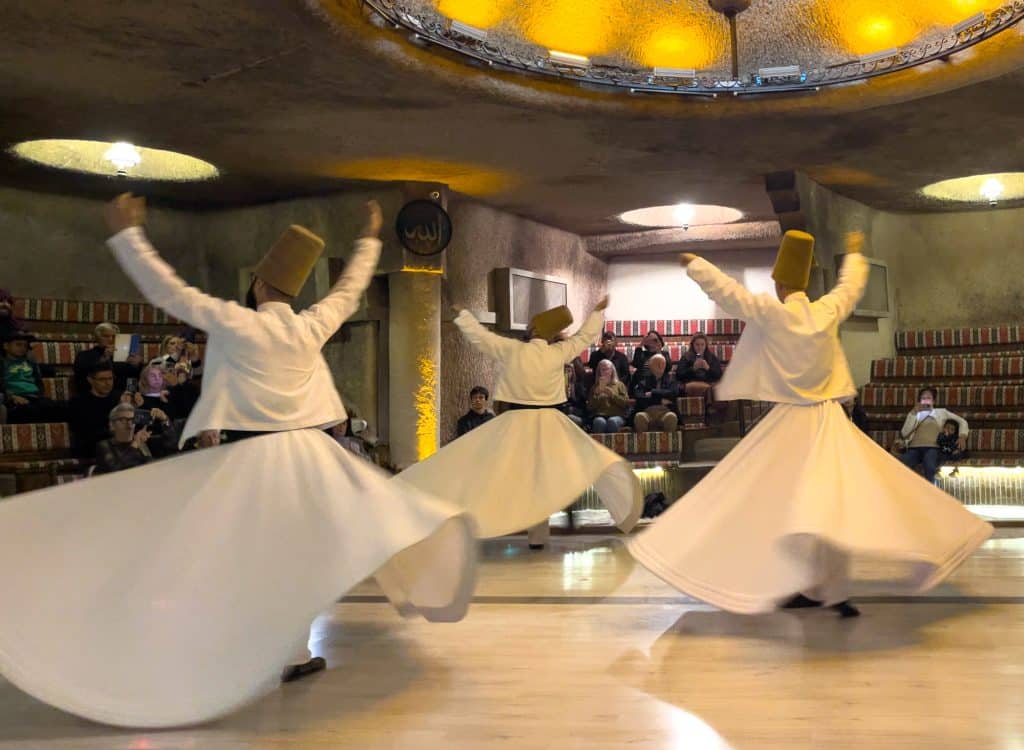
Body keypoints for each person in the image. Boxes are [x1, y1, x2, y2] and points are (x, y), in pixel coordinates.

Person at [0, 194, 477, 728]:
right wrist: (369, 238)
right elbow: (349, 289)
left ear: (256, 285)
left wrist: (127, 235)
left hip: (258, 455)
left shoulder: (236, 321)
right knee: (295, 559)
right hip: (313, 456)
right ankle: (290, 654)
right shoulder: (309, 323)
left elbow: (168, 291)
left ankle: (218, 641)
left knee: (229, 549)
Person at [627, 230, 991, 619]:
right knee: (828, 508)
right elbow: (849, 289)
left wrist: (696, 265)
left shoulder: (772, 312)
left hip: (789, 425)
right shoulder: (826, 310)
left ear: (780, 283)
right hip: (830, 423)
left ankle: (800, 583)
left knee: (776, 506)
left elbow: (729, 294)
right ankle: (829, 589)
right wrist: (854, 256)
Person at [400, 299, 642, 549]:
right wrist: (597, 313)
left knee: (511, 476)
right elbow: (584, 337)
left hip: (518, 421)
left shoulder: (514, 350)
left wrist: (463, 315)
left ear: (535, 330)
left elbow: (482, 338)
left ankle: (497, 523)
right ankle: (543, 533)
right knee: (570, 469)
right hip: (551, 422)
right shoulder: (558, 352)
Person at [897, 387, 968, 484]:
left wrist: (962, 436)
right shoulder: (915, 414)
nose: (926, 400)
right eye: (923, 398)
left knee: (929, 465)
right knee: (900, 463)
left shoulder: (941, 412)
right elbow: (904, 433)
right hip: (914, 448)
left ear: (933, 401)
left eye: (928, 398)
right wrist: (913, 413)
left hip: (933, 448)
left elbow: (962, 421)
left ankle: (931, 493)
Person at [0, 330, 66, 424]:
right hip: (15, 399)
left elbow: (42, 376)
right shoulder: (3, 363)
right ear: (6, 346)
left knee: (64, 407)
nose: (22, 348)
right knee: (27, 411)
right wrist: (11, 397)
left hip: (35, 398)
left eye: (25, 346)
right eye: (18, 344)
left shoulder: (30, 362)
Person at [93, 403, 178, 474]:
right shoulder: (104, 446)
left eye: (132, 419)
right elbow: (115, 469)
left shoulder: (143, 441)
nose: (129, 424)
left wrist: (165, 420)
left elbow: (173, 444)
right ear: (112, 425)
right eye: (123, 420)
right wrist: (135, 444)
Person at [72, 321, 143, 395]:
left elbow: (132, 377)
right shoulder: (84, 355)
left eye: (114, 336)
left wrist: (136, 365)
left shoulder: (123, 355)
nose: (110, 339)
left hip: (123, 396)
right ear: (97, 338)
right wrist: (105, 358)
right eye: (106, 336)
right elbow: (83, 377)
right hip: (97, 396)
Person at [631, 353, 679, 433]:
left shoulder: (671, 381)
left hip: (666, 412)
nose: (661, 366)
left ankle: (668, 445)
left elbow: (673, 393)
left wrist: (653, 393)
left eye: (663, 363)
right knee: (639, 417)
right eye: (657, 364)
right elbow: (639, 397)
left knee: (672, 417)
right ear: (650, 366)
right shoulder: (643, 382)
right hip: (647, 412)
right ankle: (643, 445)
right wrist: (660, 401)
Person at [586, 359, 630, 433]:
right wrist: (596, 395)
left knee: (612, 421)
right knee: (599, 422)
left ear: (612, 370)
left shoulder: (619, 385)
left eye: (607, 369)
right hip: (600, 415)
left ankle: (613, 444)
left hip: (617, 415)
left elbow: (625, 404)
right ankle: (598, 444)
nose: (605, 371)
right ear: (599, 372)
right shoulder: (595, 387)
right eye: (603, 370)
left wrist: (612, 395)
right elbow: (589, 407)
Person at [675, 333, 723, 400]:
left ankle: (709, 408)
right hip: (690, 384)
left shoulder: (712, 357)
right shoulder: (686, 357)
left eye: (702, 345)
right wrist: (693, 369)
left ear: (706, 345)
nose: (700, 347)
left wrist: (708, 368)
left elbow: (719, 375)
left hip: (707, 383)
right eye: (697, 345)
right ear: (693, 345)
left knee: (711, 389)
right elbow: (678, 375)